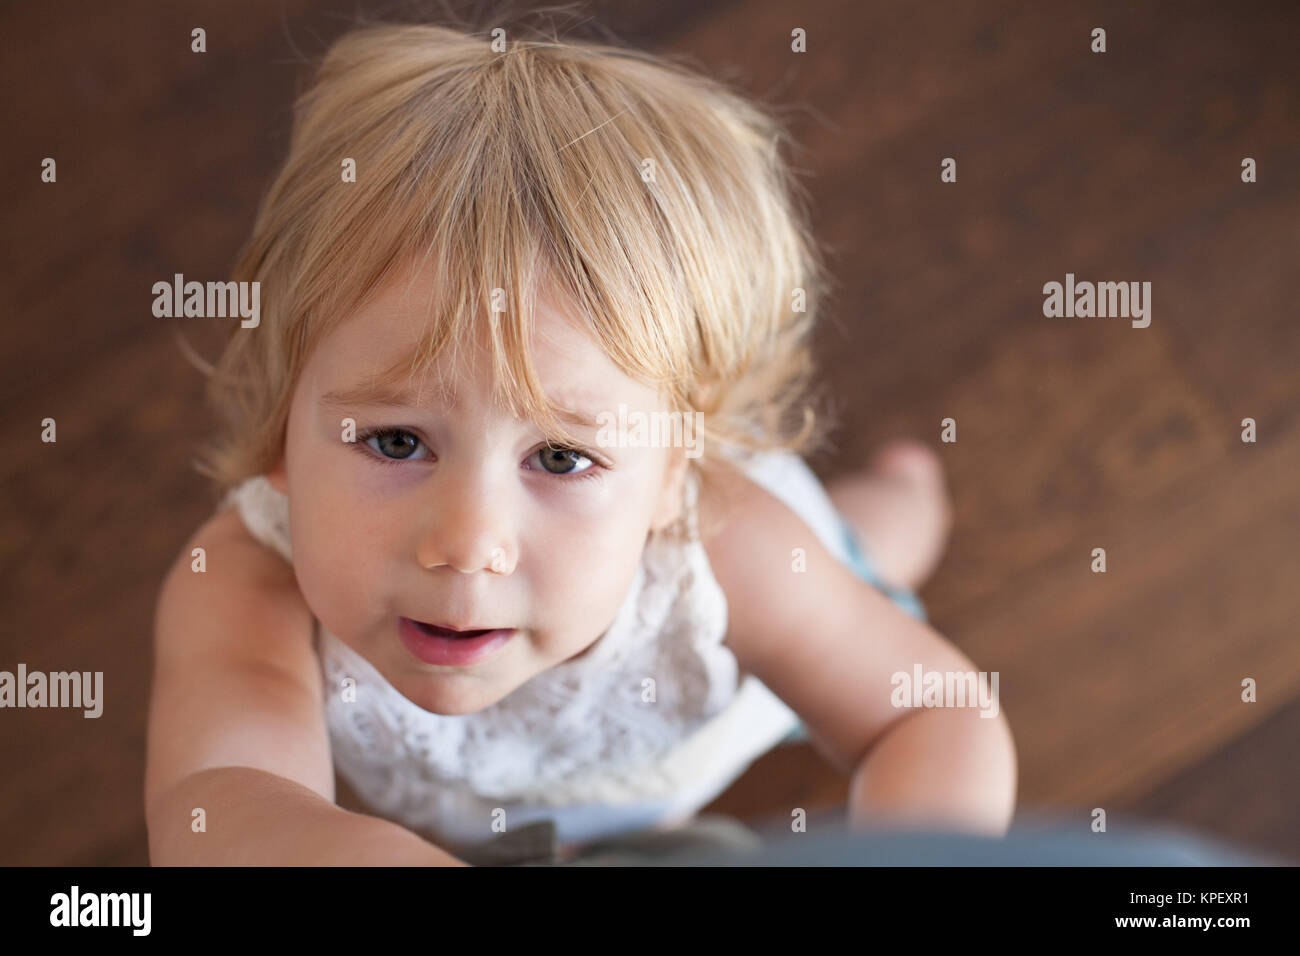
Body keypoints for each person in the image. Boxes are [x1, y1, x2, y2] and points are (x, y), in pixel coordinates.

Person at [144, 19, 1015, 866]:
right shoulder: (244, 582)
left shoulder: (731, 557)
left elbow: (928, 715)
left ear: (677, 471)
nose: (467, 544)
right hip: (536, 816)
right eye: (398, 441)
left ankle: (907, 491)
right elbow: (219, 797)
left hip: (724, 700)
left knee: (865, 553)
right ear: (281, 430)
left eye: (559, 457)